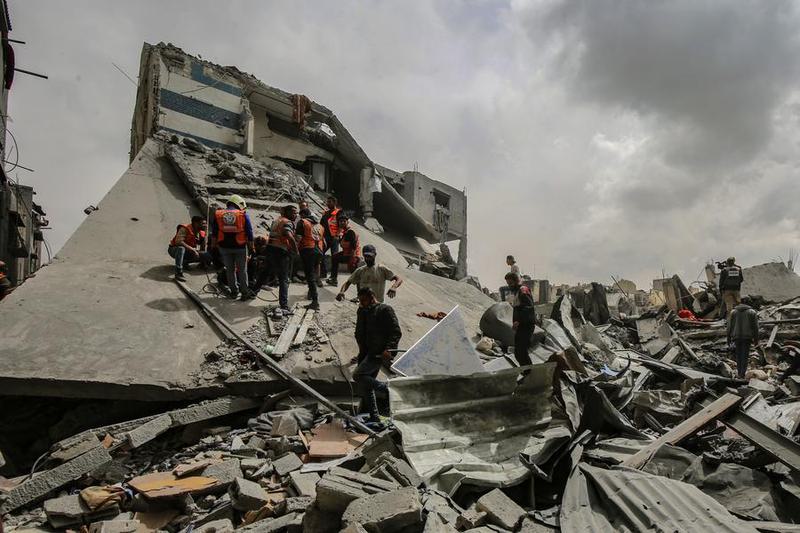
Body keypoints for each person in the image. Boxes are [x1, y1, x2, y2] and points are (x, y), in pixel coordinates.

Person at [353, 287, 402, 422]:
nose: (361, 303)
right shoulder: (362, 311)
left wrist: (389, 349)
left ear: (372, 297)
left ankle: (388, 389)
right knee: (367, 386)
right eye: (360, 300)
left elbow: (396, 331)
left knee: (358, 375)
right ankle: (375, 417)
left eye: (364, 300)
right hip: (365, 352)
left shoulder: (385, 310)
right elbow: (359, 331)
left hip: (378, 353)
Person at [210, 194, 254, 300]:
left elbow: (214, 232)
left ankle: (234, 292)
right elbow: (249, 232)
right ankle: (244, 293)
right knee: (242, 270)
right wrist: (251, 247)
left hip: (224, 247)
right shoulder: (242, 214)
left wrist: (213, 246)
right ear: (239, 204)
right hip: (240, 247)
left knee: (230, 270)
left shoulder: (219, 214)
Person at [336, 244, 402, 303]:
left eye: (370, 256)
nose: (368, 258)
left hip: (378, 305)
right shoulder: (360, 270)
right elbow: (347, 283)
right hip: (364, 305)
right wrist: (341, 292)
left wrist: (394, 287)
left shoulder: (381, 269)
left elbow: (399, 279)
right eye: (366, 256)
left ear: (375, 255)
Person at [264, 205, 299, 312]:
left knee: (264, 272)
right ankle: (284, 305)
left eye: (296, 213)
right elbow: (289, 237)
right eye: (294, 213)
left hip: (270, 249)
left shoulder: (277, 220)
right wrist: (296, 251)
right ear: (287, 213)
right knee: (284, 279)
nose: (296, 215)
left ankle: (252, 293)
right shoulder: (287, 222)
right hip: (281, 252)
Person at [295, 207, 324, 310]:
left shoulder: (302, 222)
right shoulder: (320, 226)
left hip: (308, 250)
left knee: (310, 275)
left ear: (303, 215)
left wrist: (295, 249)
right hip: (319, 251)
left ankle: (315, 301)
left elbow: (298, 238)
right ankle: (311, 294)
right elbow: (323, 241)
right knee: (314, 274)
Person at [168, 215, 211, 281]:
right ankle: (178, 272)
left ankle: (185, 262)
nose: (205, 225)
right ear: (196, 223)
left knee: (207, 255)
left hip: (188, 251)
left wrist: (204, 236)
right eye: (203, 223)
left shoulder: (201, 232)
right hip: (174, 250)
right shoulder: (185, 228)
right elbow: (178, 241)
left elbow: (203, 248)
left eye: (205, 224)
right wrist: (193, 250)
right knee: (181, 249)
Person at [505, 272, 534, 366]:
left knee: (521, 352)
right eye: (508, 284)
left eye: (511, 283)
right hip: (521, 326)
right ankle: (527, 371)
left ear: (516, 281)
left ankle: (529, 371)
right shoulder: (517, 292)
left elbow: (528, 307)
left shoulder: (523, 290)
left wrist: (518, 320)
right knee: (519, 352)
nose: (509, 286)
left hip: (526, 325)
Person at [327, 213, 361, 285]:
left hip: (352, 255)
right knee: (335, 257)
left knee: (355, 275)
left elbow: (354, 247)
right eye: (340, 221)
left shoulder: (350, 232)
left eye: (344, 221)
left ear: (347, 222)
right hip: (347, 253)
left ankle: (361, 289)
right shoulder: (346, 231)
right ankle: (333, 279)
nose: (342, 223)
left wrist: (352, 259)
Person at [728, 302, 759, 379]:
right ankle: (742, 373)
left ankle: (739, 373)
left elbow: (729, 326)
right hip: (747, 337)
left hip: (736, 336)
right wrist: (756, 340)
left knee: (738, 355)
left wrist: (728, 338)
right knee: (745, 355)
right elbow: (755, 327)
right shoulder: (752, 312)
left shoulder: (733, 312)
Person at [320, 196, 341, 279]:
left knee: (335, 257)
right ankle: (323, 272)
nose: (327, 204)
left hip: (334, 238)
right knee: (320, 253)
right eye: (327, 202)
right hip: (325, 237)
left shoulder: (339, 212)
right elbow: (321, 224)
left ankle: (333, 277)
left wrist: (337, 235)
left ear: (335, 203)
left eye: (330, 202)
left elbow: (342, 224)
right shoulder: (326, 213)